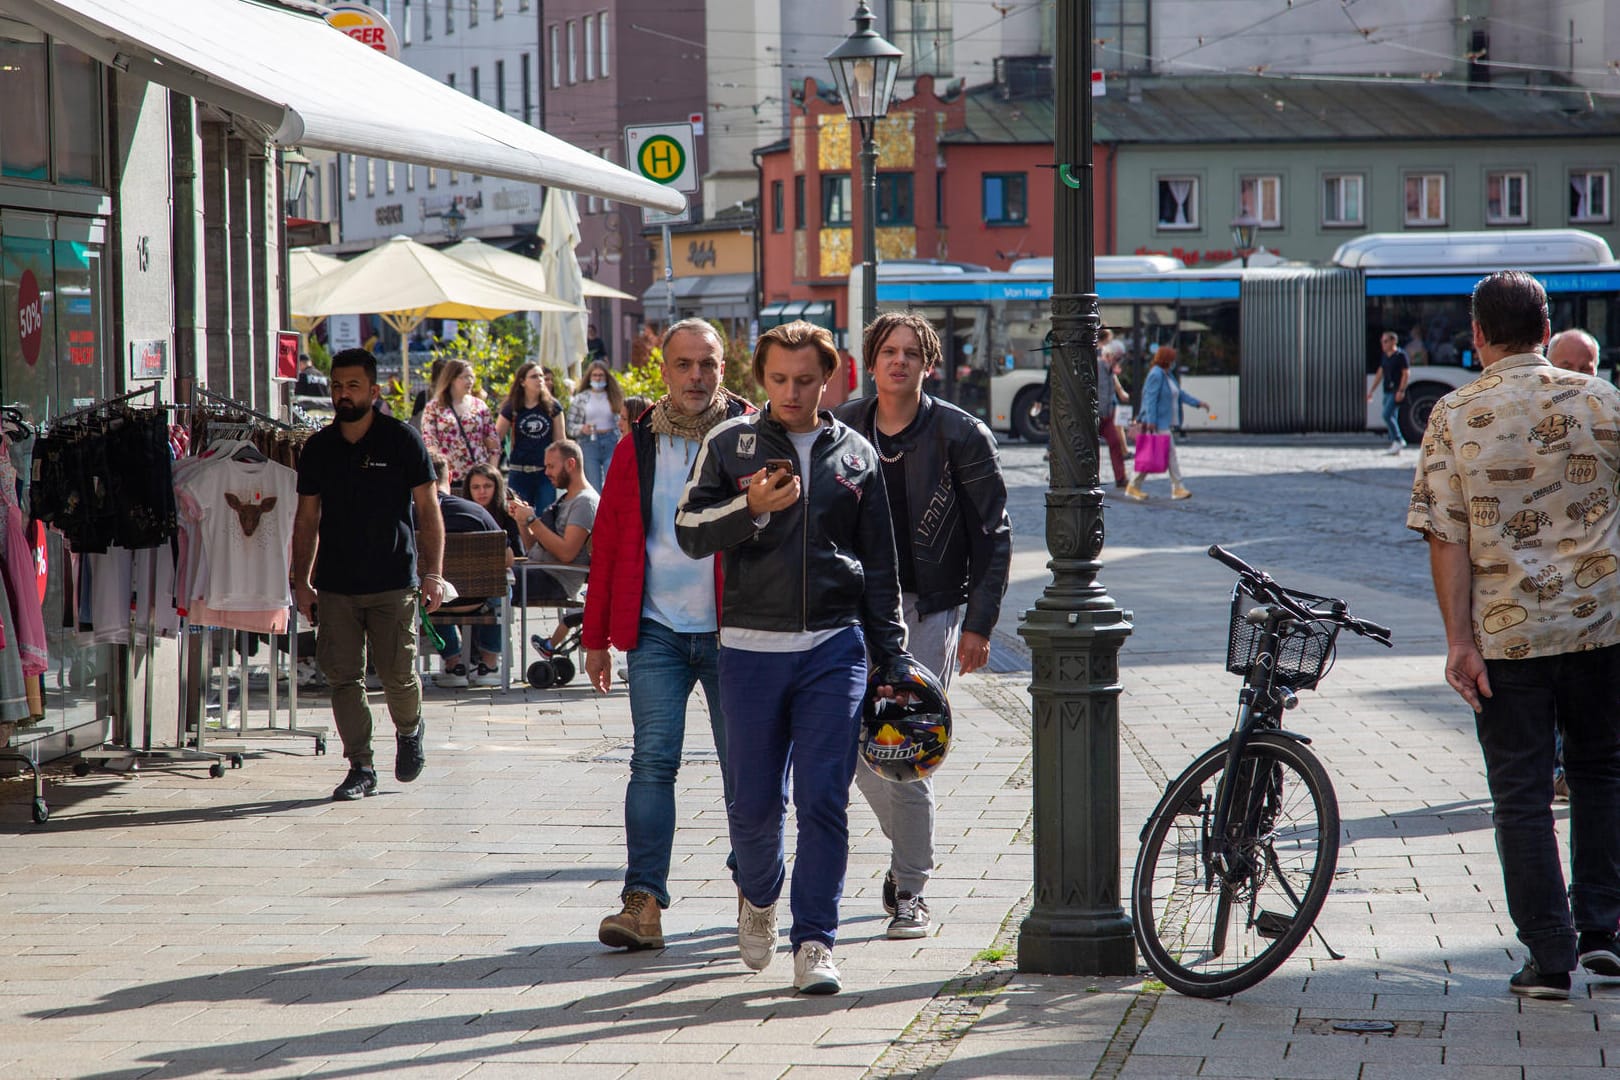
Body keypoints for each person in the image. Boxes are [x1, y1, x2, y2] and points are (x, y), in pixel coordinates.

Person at [676, 320, 910, 996]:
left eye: (805, 380)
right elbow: (688, 533)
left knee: (823, 803)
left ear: (828, 379)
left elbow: (881, 563)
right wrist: (748, 508)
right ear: (761, 379)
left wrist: (890, 655)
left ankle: (816, 941)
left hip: (835, 648)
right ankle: (758, 895)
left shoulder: (856, 454)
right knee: (752, 808)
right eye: (778, 379)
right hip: (750, 650)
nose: (791, 392)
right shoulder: (730, 443)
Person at [1409, 269, 1620, 1001]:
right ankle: (1604, 935)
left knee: (1522, 797)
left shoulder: (1453, 415)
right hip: (1603, 628)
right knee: (1602, 774)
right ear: (1545, 324)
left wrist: (1458, 641)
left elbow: (1446, 536)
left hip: (1509, 639)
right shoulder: (1603, 401)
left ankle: (1550, 957)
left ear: (1476, 335)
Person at [834, 312, 1011, 940]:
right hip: (851, 607)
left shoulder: (962, 434)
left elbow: (992, 536)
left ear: (927, 365)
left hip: (929, 609)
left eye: (912, 353)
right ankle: (914, 853)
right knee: (850, 745)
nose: (899, 362)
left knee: (903, 743)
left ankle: (909, 889)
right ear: (870, 360)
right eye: (888, 351)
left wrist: (979, 624)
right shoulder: (843, 427)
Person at [583, 318, 754, 951]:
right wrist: (596, 635)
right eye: (683, 365)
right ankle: (643, 905)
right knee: (652, 761)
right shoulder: (639, 444)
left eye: (707, 364)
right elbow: (612, 546)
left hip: (736, 632)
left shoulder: (750, 437)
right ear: (663, 371)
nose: (696, 377)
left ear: (723, 367)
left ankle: (752, 893)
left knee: (746, 770)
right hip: (656, 629)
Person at [292, 348, 444, 801]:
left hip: (393, 580)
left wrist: (432, 574)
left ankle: (410, 729)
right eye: (338, 385)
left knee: (398, 675)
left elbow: (429, 511)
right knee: (344, 678)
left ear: (374, 391)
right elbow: (306, 520)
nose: (343, 393)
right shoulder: (318, 448)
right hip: (336, 584)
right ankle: (360, 765)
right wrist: (302, 581)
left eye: (353, 385)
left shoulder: (402, 440)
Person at [427, 453, 512, 689]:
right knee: (502, 585)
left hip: (434, 600)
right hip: (479, 598)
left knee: (426, 590)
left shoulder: (413, 514)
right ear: (451, 476)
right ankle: (489, 664)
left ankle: (454, 664)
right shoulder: (476, 511)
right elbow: (506, 558)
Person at [514, 439, 598, 655]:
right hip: (537, 571)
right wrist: (521, 521)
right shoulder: (567, 499)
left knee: (490, 584)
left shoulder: (584, 502)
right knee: (485, 579)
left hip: (555, 579)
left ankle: (480, 658)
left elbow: (567, 552)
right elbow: (534, 547)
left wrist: (533, 520)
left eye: (551, 466)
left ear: (571, 464)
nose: (547, 472)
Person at [1124, 346, 1208, 501]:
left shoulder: (1168, 375)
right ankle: (1176, 488)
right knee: (1165, 455)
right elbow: (1150, 399)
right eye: (1173, 359)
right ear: (1167, 359)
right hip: (1157, 424)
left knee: (1158, 455)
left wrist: (1198, 403)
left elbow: (1180, 394)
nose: (1174, 362)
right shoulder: (1156, 375)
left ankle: (1135, 486)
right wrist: (1151, 421)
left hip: (1162, 423)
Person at [497, 361, 566, 511]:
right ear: (522, 382)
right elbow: (497, 437)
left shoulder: (553, 407)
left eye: (541, 376)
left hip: (545, 473)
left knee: (545, 518)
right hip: (519, 471)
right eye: (534, 376)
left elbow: (560, 441)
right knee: (518, 519)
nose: (540, 379)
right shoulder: (512, 407)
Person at [420, 358, 502, 485]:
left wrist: (492, 473)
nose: (470, 381)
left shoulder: (479, 405)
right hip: (449, 478)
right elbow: (429, 441)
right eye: (465, 377)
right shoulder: (434, 407)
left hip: (478, 478)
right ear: (451, 379)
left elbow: (494, 444)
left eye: (471, 377)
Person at [567, 360, 624, 491]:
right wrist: (582, 428)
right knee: (593, 485)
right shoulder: (581, 398)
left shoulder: (614, 397)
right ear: (589, 377)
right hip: (588, 443)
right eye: (595, 375)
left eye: (601, 375)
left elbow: (623, 421)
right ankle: (596, 511)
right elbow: (570, 426)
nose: (598, 378)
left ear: (606, 377)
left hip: (611, 441)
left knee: (613, 483)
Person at [462, 462, 529, 561]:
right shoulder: (462, 515)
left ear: (497, 487)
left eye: (487, 486)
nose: (482, 492)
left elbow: (518, 554)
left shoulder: (509, 513)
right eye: (476, 487)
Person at [1096, 329, 1131, 488]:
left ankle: (1120, 477)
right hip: (1094, 415)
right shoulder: (1097, 365)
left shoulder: (1110, 369)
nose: (1118, 362)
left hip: (1107, 414)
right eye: (1117, 359)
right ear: (1109, 356)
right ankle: (1091, 479)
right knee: (1092, 448)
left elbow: (1111, 390)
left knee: (1116, 442)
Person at [1367, 330, 1411, 454]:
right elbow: (1380, 373)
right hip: (1387, 390)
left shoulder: (1401, 355)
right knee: (1392, 416)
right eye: (1382, 341)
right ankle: (1395, 445)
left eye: (1385, 341)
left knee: (1386, 415)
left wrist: (1401, 390)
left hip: (1396, 390)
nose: (1383, 344)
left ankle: (1398, 440)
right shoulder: (1385, 356)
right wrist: (1371, 390)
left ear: (1393, 341)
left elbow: (1406, 373)